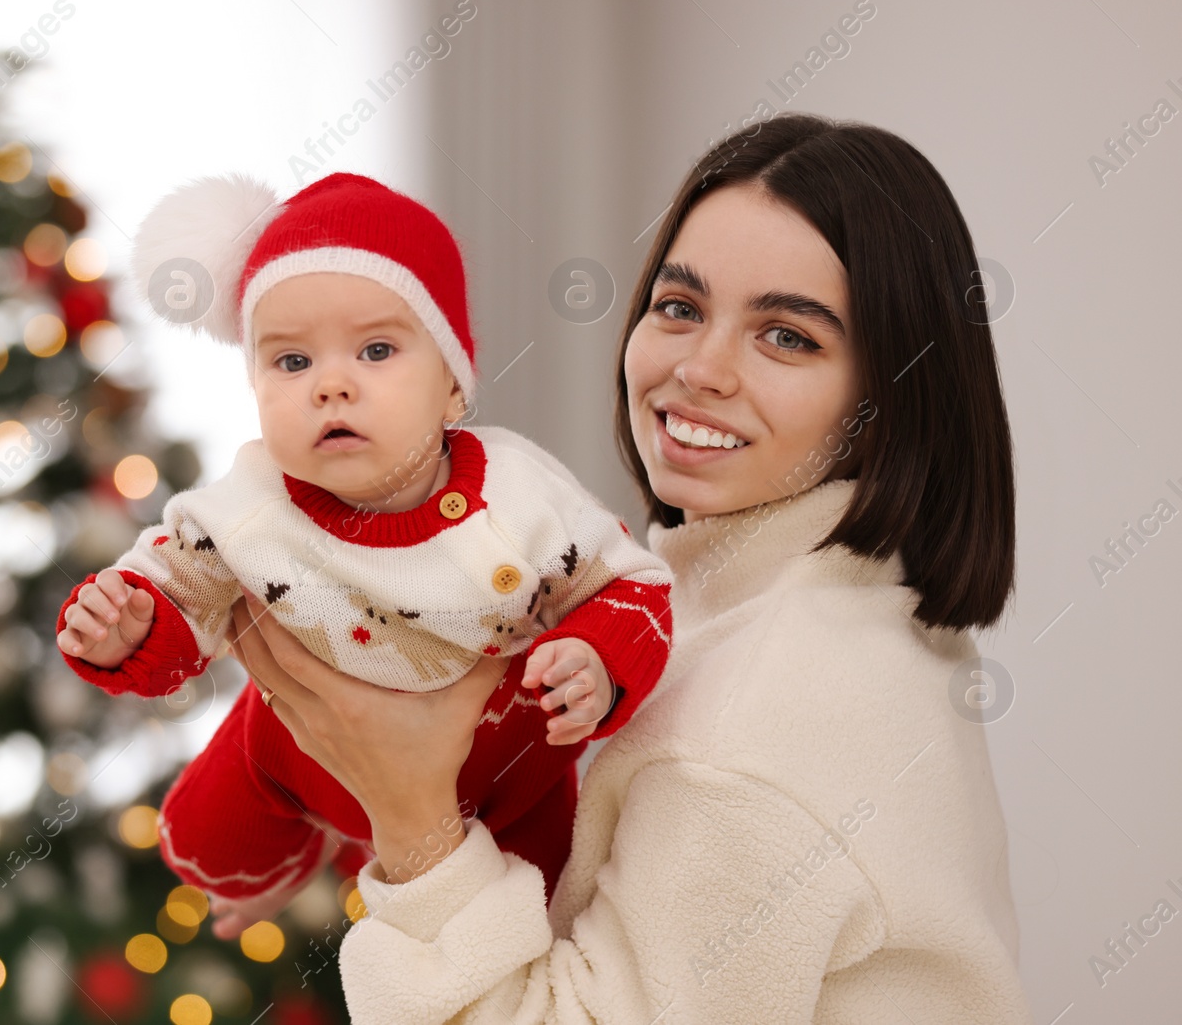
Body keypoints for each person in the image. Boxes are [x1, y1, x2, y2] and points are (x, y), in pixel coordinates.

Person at [221, 114, 1034, 1022]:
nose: (700, 369)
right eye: (680, 308)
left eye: (788, 337)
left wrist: (412, 823)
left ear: (887, 399)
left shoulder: (750, 725)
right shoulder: (802, 599)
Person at [54, 172, 675, 939]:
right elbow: (176, 587)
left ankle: (390, 855)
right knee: (198, 846)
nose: (331, 386)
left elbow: (633, 587)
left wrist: (594, 655)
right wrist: (132, 627)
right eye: (291, 362)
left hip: (498, 769)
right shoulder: (248, 503)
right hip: (300, 743)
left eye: (376, 349)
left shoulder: (517, 495)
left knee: (538, 921)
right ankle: (313, 842)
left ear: (453, 385)